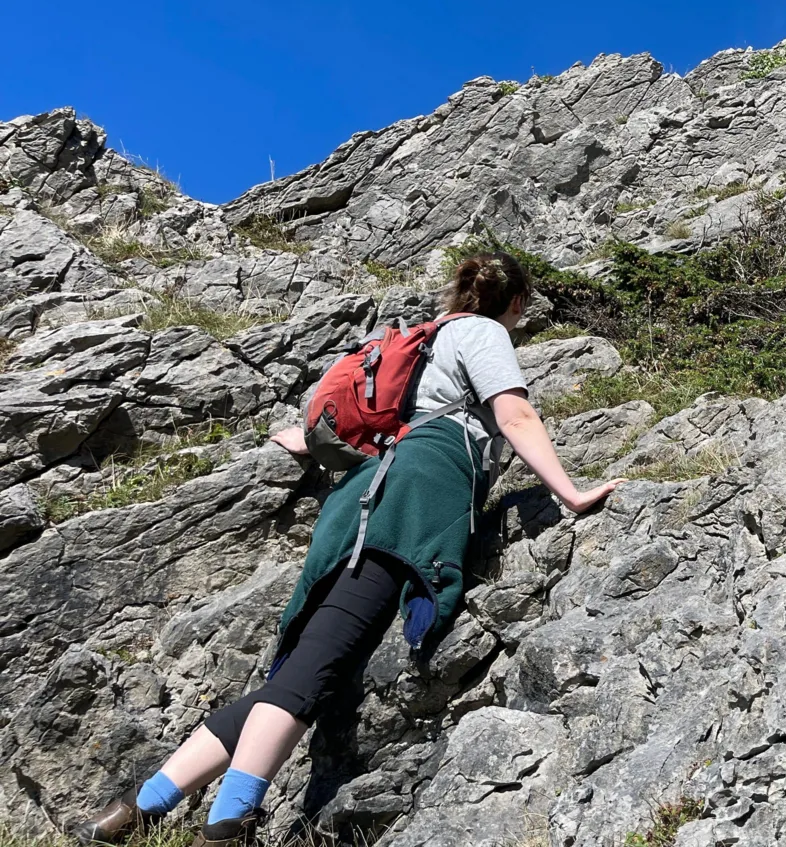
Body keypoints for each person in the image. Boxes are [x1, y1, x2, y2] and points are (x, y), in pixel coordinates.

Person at [71, 252, 626, 847]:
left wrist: (306, 445)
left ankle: (133, 812)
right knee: (314, 671)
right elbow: (512, 412)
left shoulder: (423, 342)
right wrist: (568, 491)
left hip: (359, 501)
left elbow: (352, 426)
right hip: (410, 501)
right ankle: (228, 828)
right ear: (515, 302)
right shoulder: (483, 331)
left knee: (307, 663)